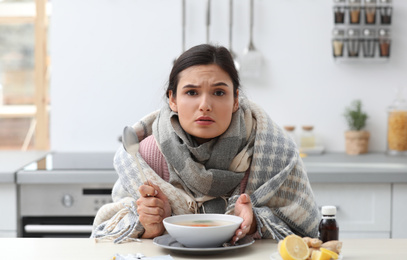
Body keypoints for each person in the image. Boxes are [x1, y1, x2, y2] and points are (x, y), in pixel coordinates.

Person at [91, 44, 320, 244]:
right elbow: (106, 233)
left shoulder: (273, 151)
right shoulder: (147, 156)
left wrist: (255, 223)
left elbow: (310, 233)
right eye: (191, 92)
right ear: (172, 99)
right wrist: (149, 227)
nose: (205, 105)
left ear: (235, 100)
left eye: (219, 92)